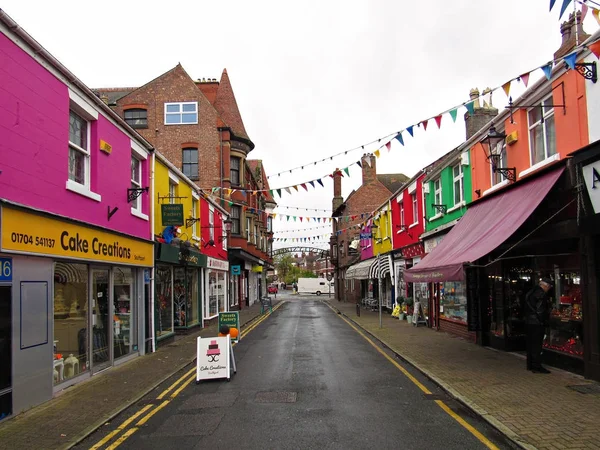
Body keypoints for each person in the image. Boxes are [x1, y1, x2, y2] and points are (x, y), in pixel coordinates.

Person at [524, 277, 553, 374]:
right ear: (545, 286)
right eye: (548, 287)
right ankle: (536, 366)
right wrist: (543, 321)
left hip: (529, 321)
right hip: (536, 323)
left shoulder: (531, 292)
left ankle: (530, 364)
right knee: (536, 345)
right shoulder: (541, 294)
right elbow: (540, 310)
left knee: (531, 344)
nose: (548, 289)